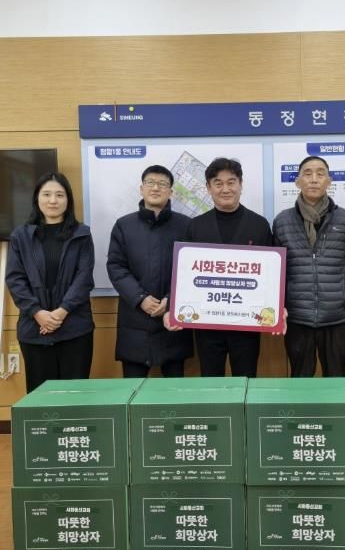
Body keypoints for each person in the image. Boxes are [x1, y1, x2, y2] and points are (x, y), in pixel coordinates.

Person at [174, 157, 273, 377]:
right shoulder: (195, 226)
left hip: (247, 324)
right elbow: (184, 276)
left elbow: (270, 275)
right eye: (218, 183)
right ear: (208, 187)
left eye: (231, 182)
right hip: (207, 324)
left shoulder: (259, 225)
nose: (225, 189)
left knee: (247, 381)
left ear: (241, 184)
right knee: (211, 383)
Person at [6, 172, 95, 392]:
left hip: (75, 327)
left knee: (75, 396)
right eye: (46, 194)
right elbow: (15, 279)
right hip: (34, 328)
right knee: (40, 398)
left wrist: (61, 312)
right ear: (37, 198)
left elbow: (84, 278)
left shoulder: (82, 234)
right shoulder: (20, 236)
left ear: (68, 200)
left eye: (59, 195)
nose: (53, 200)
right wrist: (38, 313)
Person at [273, 155, 345, 377]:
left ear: (329, 181)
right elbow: (278, 272)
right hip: (298, 317)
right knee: (300, 381)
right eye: (307, 173)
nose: (314, 179)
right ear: (297, 181)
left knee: (337, 380)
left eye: (320, 174)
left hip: (337, 317)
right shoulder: (282, 221)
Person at [106, 165, 193, 378]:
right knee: (132, 389)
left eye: (162, 184)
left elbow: (191, 270)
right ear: (141, 188)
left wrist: (170, 300)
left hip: (173, 319)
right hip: (135, 318)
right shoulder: (124, 225)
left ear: (171, 191)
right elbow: (116, 266)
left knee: (174, 389)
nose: (156, 188)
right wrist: (141, 298)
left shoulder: (186, 226)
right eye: (150, 183)